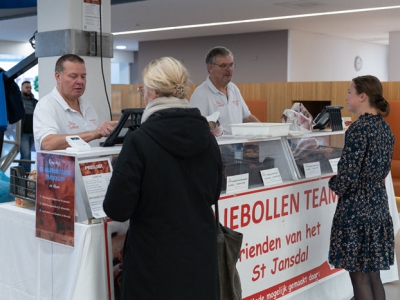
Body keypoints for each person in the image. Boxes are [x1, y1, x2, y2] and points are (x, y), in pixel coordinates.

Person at [103, 57, 221, 300]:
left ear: (153, 93)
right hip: (200, 256)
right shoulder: (208, 138)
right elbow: (214, 193)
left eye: (142, 91)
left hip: (153, 261)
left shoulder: (139, 141)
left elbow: (117, 208)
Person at [328, 75, 394, 300]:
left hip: (357, 209)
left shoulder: (358, 129)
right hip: (378, 205)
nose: (346, 96)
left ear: (363, 96)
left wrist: (332, 183)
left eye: (349, 91)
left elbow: (347, 178)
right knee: (373, 274)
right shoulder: (385, 128)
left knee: (359, 277)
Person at [33, 54, 118, 151]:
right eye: (73, 76)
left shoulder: (88, 106)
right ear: (58, 77)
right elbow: (48, 143)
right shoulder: (46, 106)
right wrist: (94, 134)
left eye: (83, 76)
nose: (80, 81)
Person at [190, 46, 260, 135]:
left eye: (231, 65)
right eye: (223, 66)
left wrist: (267, 132)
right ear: (210, 67)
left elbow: (247, 118)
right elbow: (197, 128)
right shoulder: (200, 94)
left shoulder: (233, 89)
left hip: (237, 147)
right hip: (216, 148)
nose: (229, 69)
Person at [19, 81, 38, 172]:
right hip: (23, 132)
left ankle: (18, 174)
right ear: (22, 88)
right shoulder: (18, 101)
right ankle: (27, 175)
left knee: (24, 154)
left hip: (33, 132)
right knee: (26, 153)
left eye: (30, 87)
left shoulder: (35, 101)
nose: (29, 89)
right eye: (26, 87)